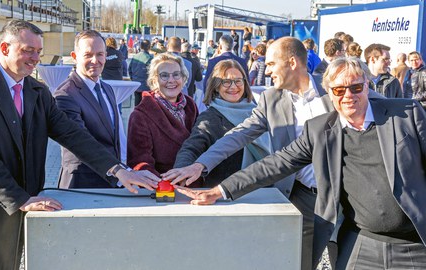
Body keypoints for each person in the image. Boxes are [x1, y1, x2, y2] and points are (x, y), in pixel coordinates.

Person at [176, 57, 426, 270]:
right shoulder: (320, 129)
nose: (348, 95)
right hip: (361, 242)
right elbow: (276, 163)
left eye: (356, 88)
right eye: (339, 90)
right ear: (330, 93)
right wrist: (219, 190)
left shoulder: (405, 115)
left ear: (367, 86)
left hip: (415, 243)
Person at [0, 20, 158, 270]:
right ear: (4, 48)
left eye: (39, 51)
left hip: (25, 200)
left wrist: (118, 170)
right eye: (28, 50)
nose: (35, 58)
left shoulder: (38, 91)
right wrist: (19, 199)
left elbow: (72, 135)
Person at [165, 37, 333, 270]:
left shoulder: (334, 90)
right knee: (300, 262)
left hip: (343, 198)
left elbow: (379, 110)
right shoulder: (271, 99)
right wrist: (200, 165)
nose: (267, 70)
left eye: (272, 64)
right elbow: (238, 135)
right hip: (300, 197)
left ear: (292, 62)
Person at [54, 30, 142, 188]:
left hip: (110, 183)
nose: (95, 60)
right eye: (88, 55)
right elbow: (80, 141)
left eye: (100, 54)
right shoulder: (65, 95)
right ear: (74, 56)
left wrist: (129, 171)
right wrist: (118, 170)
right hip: (82, 186)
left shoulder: (107, 89)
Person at [172, 59, 269, 188]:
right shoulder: (210, 117)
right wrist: (181, 170)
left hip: (264, 185)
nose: (233, 87)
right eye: (226, 82)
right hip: (226, 193)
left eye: (238, 81)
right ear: (216, 86)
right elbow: (192, 146)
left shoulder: (257, 110)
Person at [127, 53, 198, 179]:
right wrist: (164, 183)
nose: (171, 80)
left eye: (176, 74)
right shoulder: (141, 115)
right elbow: (140, 162)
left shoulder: (191, 106)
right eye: (164, 75)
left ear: (183, 78)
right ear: (154, 80)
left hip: (194, 182)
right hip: (163, 188)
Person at [129, 39, 153, 106]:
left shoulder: (135, 57)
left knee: (137, 106)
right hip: (146, 87)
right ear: (149, 47)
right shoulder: (149, 58)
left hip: (136, 85)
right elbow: (152, 73)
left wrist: (133, 79)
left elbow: (130, 70)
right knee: (145, 107)